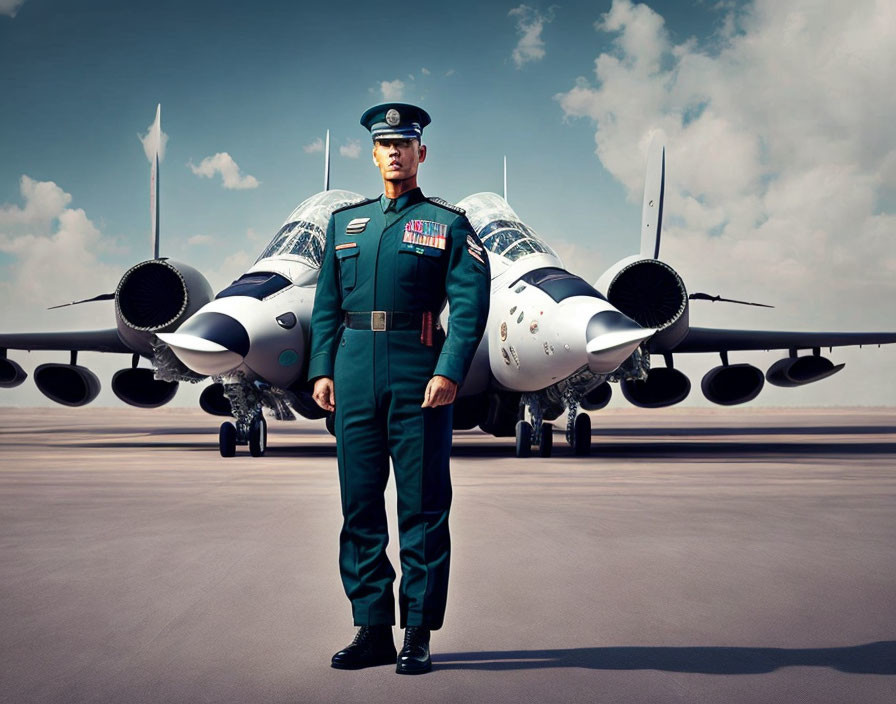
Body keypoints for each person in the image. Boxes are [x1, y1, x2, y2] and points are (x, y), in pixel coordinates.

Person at [308, 102, 490, 675]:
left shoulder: (447, 224)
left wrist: (450, 370)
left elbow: (469, 305)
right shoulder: (344, 225)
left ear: (421, 153)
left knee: (422, 507)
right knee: (359, 506)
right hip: (355, 368)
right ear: (373, 153)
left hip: (418, 370)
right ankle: (372, 629)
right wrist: (321, 369)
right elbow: (326, 306)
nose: (394, 152)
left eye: (404, 144)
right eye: (385, 144)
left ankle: (417, 631)